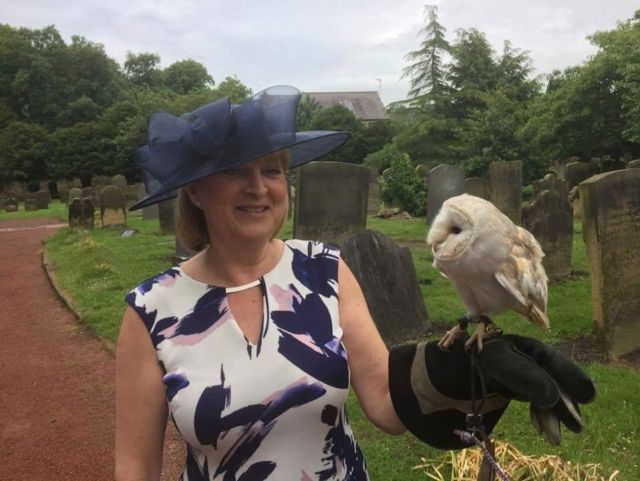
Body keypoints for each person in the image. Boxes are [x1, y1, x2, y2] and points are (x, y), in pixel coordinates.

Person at [115, 86, 595, 481]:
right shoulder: (153, 310)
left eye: (272, 170)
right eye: (236, 171)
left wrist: (464, 370)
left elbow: (385, 403)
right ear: (196, 191)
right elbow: (135, 467)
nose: (259, 187)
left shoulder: (323, 269)